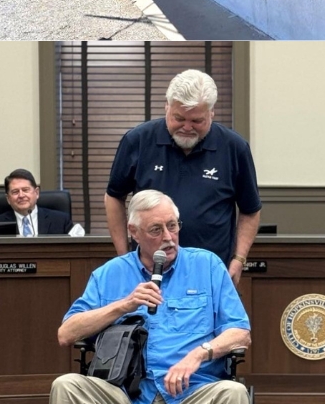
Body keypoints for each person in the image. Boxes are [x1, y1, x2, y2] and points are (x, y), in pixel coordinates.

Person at [50, 190, 251, 404]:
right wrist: (123, 305)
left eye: (173, 226)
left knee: (233, 393)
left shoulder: (207, 266)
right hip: (124, 395)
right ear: (133, 232)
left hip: (191, 395)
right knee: (66, 387)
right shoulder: (110, 274)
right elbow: (66, 334)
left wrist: (199, 354)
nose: (168, 237)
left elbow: (240, 332)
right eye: (156, 230)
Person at [105, 70, 262, 283]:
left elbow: (250, 210)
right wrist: (125, 257)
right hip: (148, 271)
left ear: (211, 113)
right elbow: (114, 196)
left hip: (211, 274)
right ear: (166, 107)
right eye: (179, 118)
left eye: (197, 121)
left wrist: (238, 259)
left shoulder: (235, 148)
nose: (187, 127)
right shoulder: (138, 141)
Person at [0, 169, 84, 236]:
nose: (21, 195)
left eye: (25, 190)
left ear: (36, 193)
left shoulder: (61, 221)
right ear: (8, 198)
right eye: (15, 192)